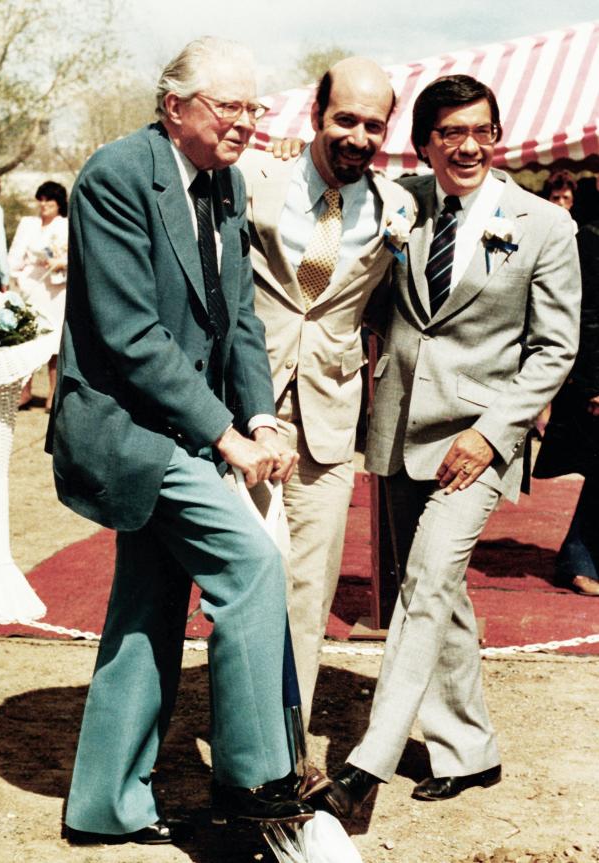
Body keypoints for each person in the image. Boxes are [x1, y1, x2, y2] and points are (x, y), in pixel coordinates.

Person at [46, 36, 313, 846]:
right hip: (128, 432)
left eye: (253, 107)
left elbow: (239, 323)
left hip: (185, 431)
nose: (245, 122)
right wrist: (227, 434)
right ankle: (255, 781)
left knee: (148, 610)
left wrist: (262, 412)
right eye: (227, 106)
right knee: (253, 567)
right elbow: (130, 338)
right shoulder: (116, 175)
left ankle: (104, 804)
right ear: (175, 107)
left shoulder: (224, 184)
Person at [317, 74, 580, 817]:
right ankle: (471, 750)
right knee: (436, 593)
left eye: (483, 132)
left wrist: (493, 432)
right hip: (397, 432)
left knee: (428, 584)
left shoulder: (543, 226)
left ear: (498, 138)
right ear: (425, 142)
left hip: (478, 442)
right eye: (451, 133)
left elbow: (553, 350)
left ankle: (366, 766)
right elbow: (344, 273)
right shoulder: (400, 206)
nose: (469, 146)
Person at [238, 57, 415, 729]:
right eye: (345, 119)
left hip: (332, 420)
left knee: (308, 591)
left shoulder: (396, 204)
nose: (358, 136)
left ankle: (283, 749)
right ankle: (237, 737)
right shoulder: (256, 176)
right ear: (316, 115)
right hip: (247, 408)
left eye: (373, 125)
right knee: (245, 581)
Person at [533, 219, 599, 596]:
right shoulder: (590, 237)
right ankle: (578, 557)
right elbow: (586, 314)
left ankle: (580, 555)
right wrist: (593, 384)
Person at [9, 181, 68, 410]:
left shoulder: (66, 225)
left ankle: (53, 394)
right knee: (29, 339)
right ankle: (24, 392)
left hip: (56, 290)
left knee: (54, 342)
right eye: (41, 201)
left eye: (49, 202)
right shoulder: (28, 224)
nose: (43, 206)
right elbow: (15, 255)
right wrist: (18, 277)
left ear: (58, 204)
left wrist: (59, 263)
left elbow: (75, 255)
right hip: (32, 285)